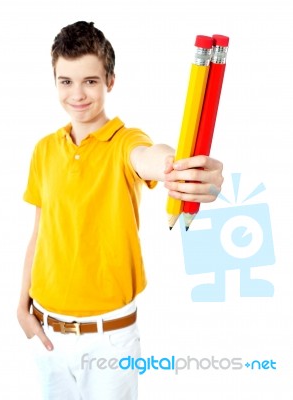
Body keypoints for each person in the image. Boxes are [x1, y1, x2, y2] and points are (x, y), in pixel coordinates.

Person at [17, 21, 223, 400]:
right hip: (47, 335)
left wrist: (177, 167)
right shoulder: (44, 149)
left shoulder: (125, 142)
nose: (77, 94)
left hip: (109, 340)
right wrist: (20, 306)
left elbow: (150, 157)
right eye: (66, 81)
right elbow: (40, 231)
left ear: (110, 81)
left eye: (90, 81)